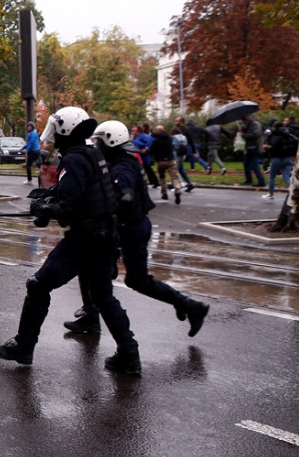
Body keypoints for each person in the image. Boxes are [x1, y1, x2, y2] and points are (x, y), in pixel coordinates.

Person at [0, 107, 140, 374]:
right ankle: (129, 355)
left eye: (57, 127)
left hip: (85, 240)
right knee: (103, 297)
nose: (54, 134)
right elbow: (74, 191)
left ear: (66, 129)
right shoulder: (91, 153)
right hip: (105, 236)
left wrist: (46, 210)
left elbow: (70, 206)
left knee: (38, 285)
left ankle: (23, 347)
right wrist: (46, 196)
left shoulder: (73, 159)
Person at [64, 120, 209, 338]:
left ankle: (96, 321)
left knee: (98, 270)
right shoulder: (120, 160)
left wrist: (120, 200)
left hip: (129, 229)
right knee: (127, 277)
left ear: (111, 142)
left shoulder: (122, 166)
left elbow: (124, 191)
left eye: (99, 141)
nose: (96, 146)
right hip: (133, 227)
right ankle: (189, 306)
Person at [262, 117, 298, 200]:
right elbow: (295, 141)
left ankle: (271, 194)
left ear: (275, 127)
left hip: (278, 158)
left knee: (272, 176)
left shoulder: (276, 135)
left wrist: (267, 148)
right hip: (288, 157)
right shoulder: (288, 134)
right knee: (286, 176)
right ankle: (294, 191)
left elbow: (275, 147)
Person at [150, 125, 181, 204]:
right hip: (171, 160)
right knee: (174, 177)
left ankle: (164, 193)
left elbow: (152, 150)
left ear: (159, 131)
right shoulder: (170, 138)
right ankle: (177, 190)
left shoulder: (156, 140)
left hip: (161, 161)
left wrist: (152, 156)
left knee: (162, 176)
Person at [240, 114, 266, 187]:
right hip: (249, 148)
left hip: (255, 148)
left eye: (245, 120)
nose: (244, 122)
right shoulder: (247, 126)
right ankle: (248, 179)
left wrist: (244, 135)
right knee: (246, 164)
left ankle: (261, 181)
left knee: (255, 165)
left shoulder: (256, 125)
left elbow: (255, 135)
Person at [171, 126, 194, 192]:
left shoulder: (174, 137)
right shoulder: (184, 137)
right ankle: (189, 184)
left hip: (177, 154)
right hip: (183, 154)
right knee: (181, 170)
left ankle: (180, 184)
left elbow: (174, 145)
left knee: (175, 170)